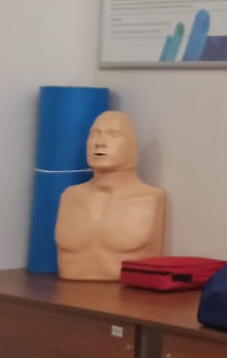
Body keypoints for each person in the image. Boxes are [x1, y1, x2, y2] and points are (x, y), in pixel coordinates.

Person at [53, 110, 166, 281]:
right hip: (65, 290)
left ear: (133, 146)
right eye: (94, 134)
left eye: (113, 134)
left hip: (129, 294)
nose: (100, 142)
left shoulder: (151, 199)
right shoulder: (69, 197)